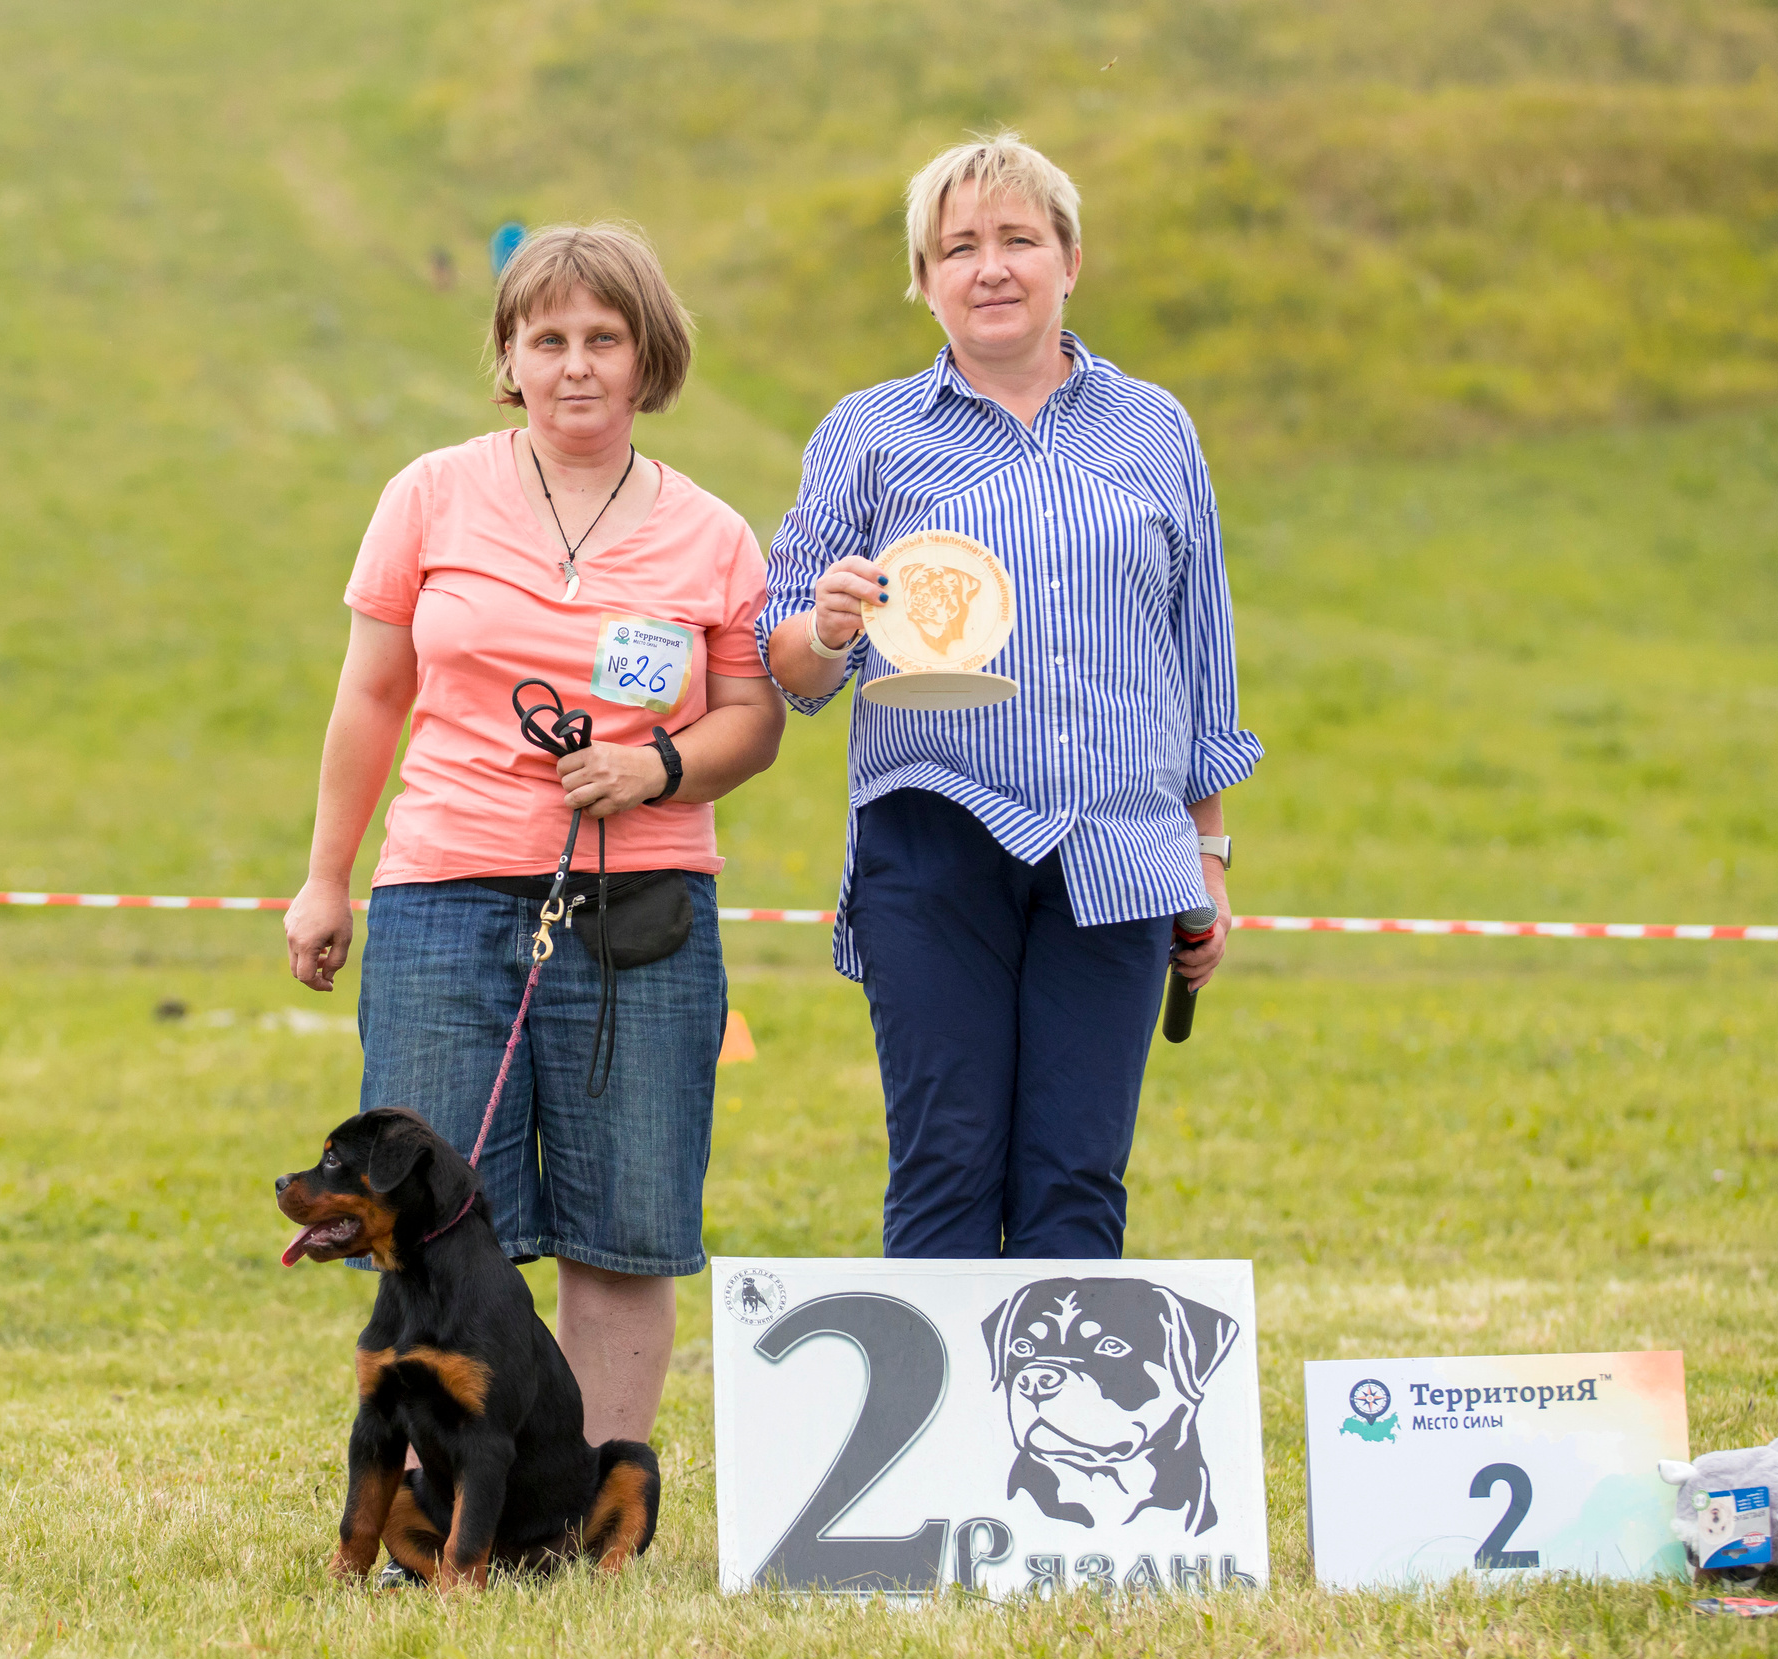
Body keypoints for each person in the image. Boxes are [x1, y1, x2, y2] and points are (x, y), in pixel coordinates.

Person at [284, 223, 784, 1445]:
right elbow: (369, 696)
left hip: (641, 915)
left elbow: (753, 719)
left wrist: (655, 764)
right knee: (440, 1222)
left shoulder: (712, 534)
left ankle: (588, 1508)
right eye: (545, 337)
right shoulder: (429, 493)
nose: (574, 364)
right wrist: (324, 879)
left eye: (602, 339)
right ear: (508, 355)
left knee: (626, 1223)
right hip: (440, 899)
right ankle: (437, 1500)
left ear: (646, 356)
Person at [760, 134, 1260, 1260]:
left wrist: (1209, 857)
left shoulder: (1157, 429)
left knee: (1076, 1172)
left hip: (1120, 849)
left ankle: (1054, 1436)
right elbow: (786, 664)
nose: (989, 267)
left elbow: (1198, 653)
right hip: (932, 842)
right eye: (958, 248)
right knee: (947, 1159)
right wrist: (828, 624)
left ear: (1070, 261)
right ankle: (940, 1442)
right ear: (925, 282)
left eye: (1018, 240)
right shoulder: (867, 434)